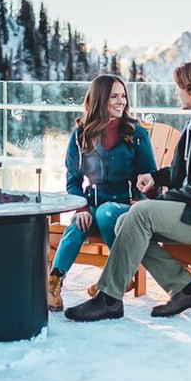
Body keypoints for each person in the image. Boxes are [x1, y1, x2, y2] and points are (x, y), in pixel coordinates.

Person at [65, 59, 191, 322]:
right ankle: (184, 288)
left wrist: (163, 199)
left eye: (179, 87)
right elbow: (183, 173)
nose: (175, 92)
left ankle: (109, 298)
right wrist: (155, 177)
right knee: (128, 220)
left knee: (139, 215)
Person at [49, 74, 157, 311]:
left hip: (126, 208)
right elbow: (74, 179)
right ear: (99, 100)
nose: (122, 102)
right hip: (94, 205)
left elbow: (150, 173)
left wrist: (144, 185)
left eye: (123, 96)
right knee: (78, 225)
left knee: (107, 212)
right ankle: (53, 283)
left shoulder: (136, 133)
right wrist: (81, 208)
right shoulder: (81, 135)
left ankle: (118, 274)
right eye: (114, 97)